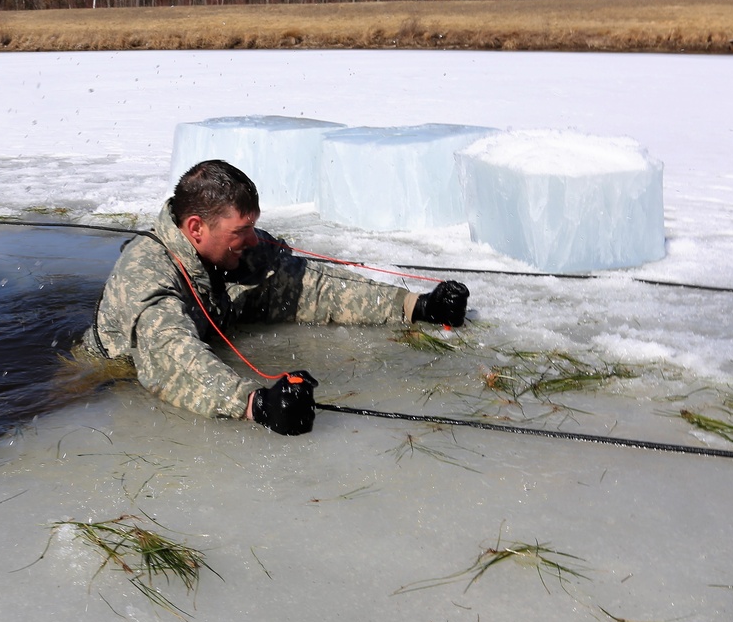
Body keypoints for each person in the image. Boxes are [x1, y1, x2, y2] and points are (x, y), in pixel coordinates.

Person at [80, 159, 469, 436]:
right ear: (196, 227)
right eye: (241, 230)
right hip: (109, 375)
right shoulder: (144, 271)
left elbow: (315, 287)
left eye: (254, 226)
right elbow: (167, 353)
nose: (253, 239)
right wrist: (254, 404)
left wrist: (416, 305)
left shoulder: (234, 249)